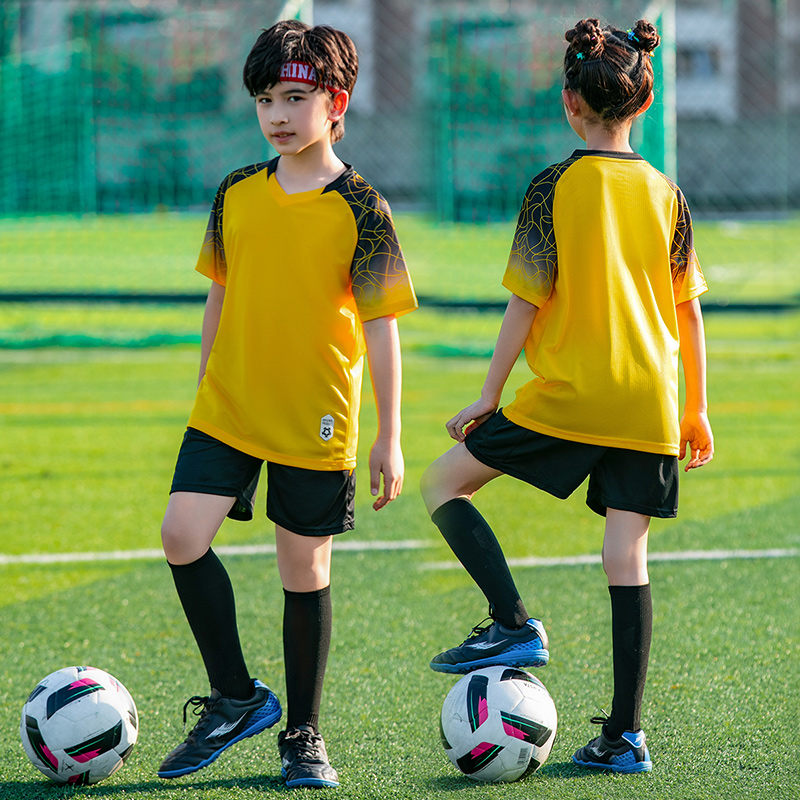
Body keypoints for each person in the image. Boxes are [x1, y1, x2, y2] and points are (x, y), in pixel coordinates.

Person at [420, 18, 713, 775]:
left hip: (572, 396)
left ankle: (514, 623)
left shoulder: (553, 186)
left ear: (566, 101)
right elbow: (689, 311)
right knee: (626, 556)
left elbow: (525, 301)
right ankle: (625, 737)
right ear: (641, 106)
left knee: (445, 482)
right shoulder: (666, 192)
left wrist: (488, 394)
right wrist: (696, 408)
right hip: (649, 400)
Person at [156, 20, 417, 789]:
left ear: (335, 103)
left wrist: (390, 436)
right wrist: (206, 382)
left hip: (317, 415)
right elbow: (220, 295)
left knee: (302, 570)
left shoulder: (362, 207)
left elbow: (382, 328)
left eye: (295, 97)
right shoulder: (237, 191)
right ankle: (236, 697)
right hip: (229, 408)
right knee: (181, 534)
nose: (277, 113)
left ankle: (302, 734)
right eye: (266, 98)